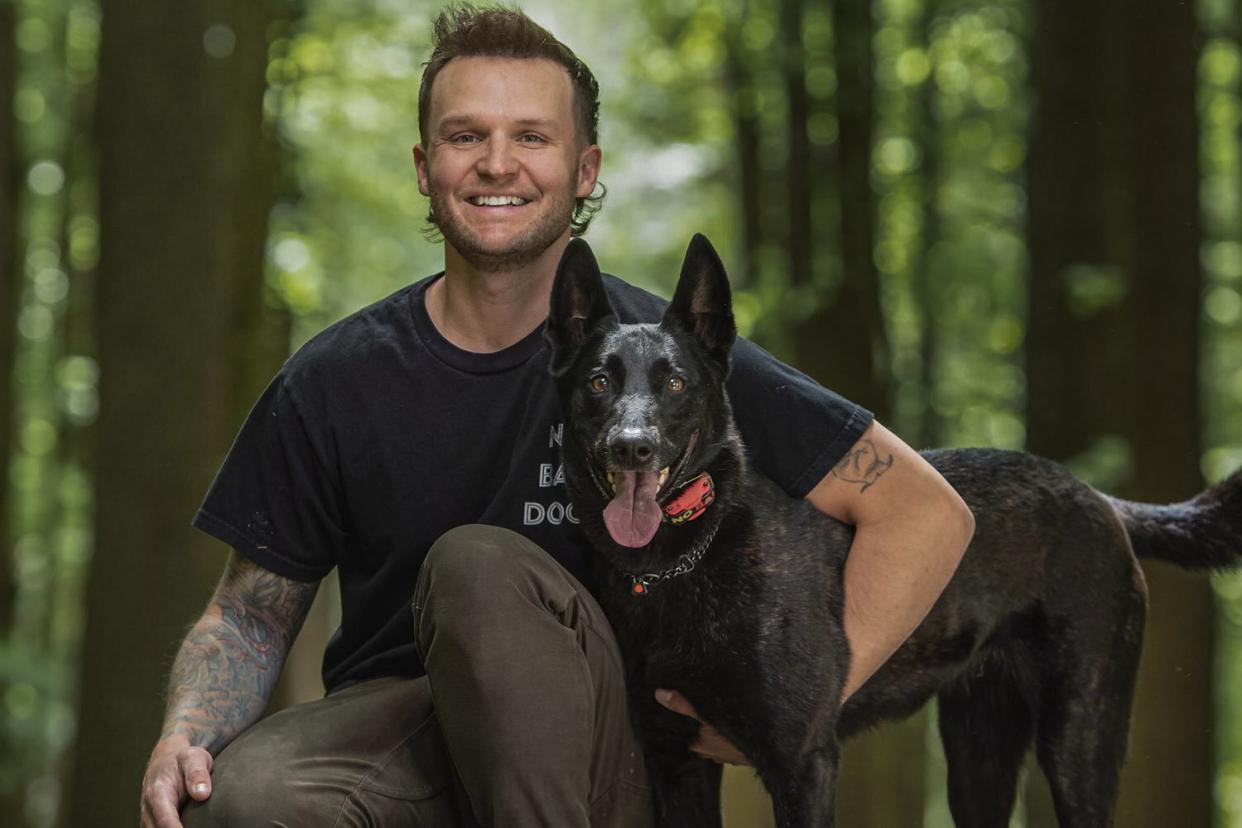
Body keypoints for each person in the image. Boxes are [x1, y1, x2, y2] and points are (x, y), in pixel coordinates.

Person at [139, 5, 975, 827]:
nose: (498, 163)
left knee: (477, 566)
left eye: (532, 137)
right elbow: (248, 612)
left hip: (608, 745)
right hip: (403, 736)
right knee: (239, 801)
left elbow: (922, 512)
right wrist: (186, 732)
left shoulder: (675, 365)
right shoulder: (333, 380)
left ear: (585, 169)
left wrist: (803, 701)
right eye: (467, 137)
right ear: (425, 166)